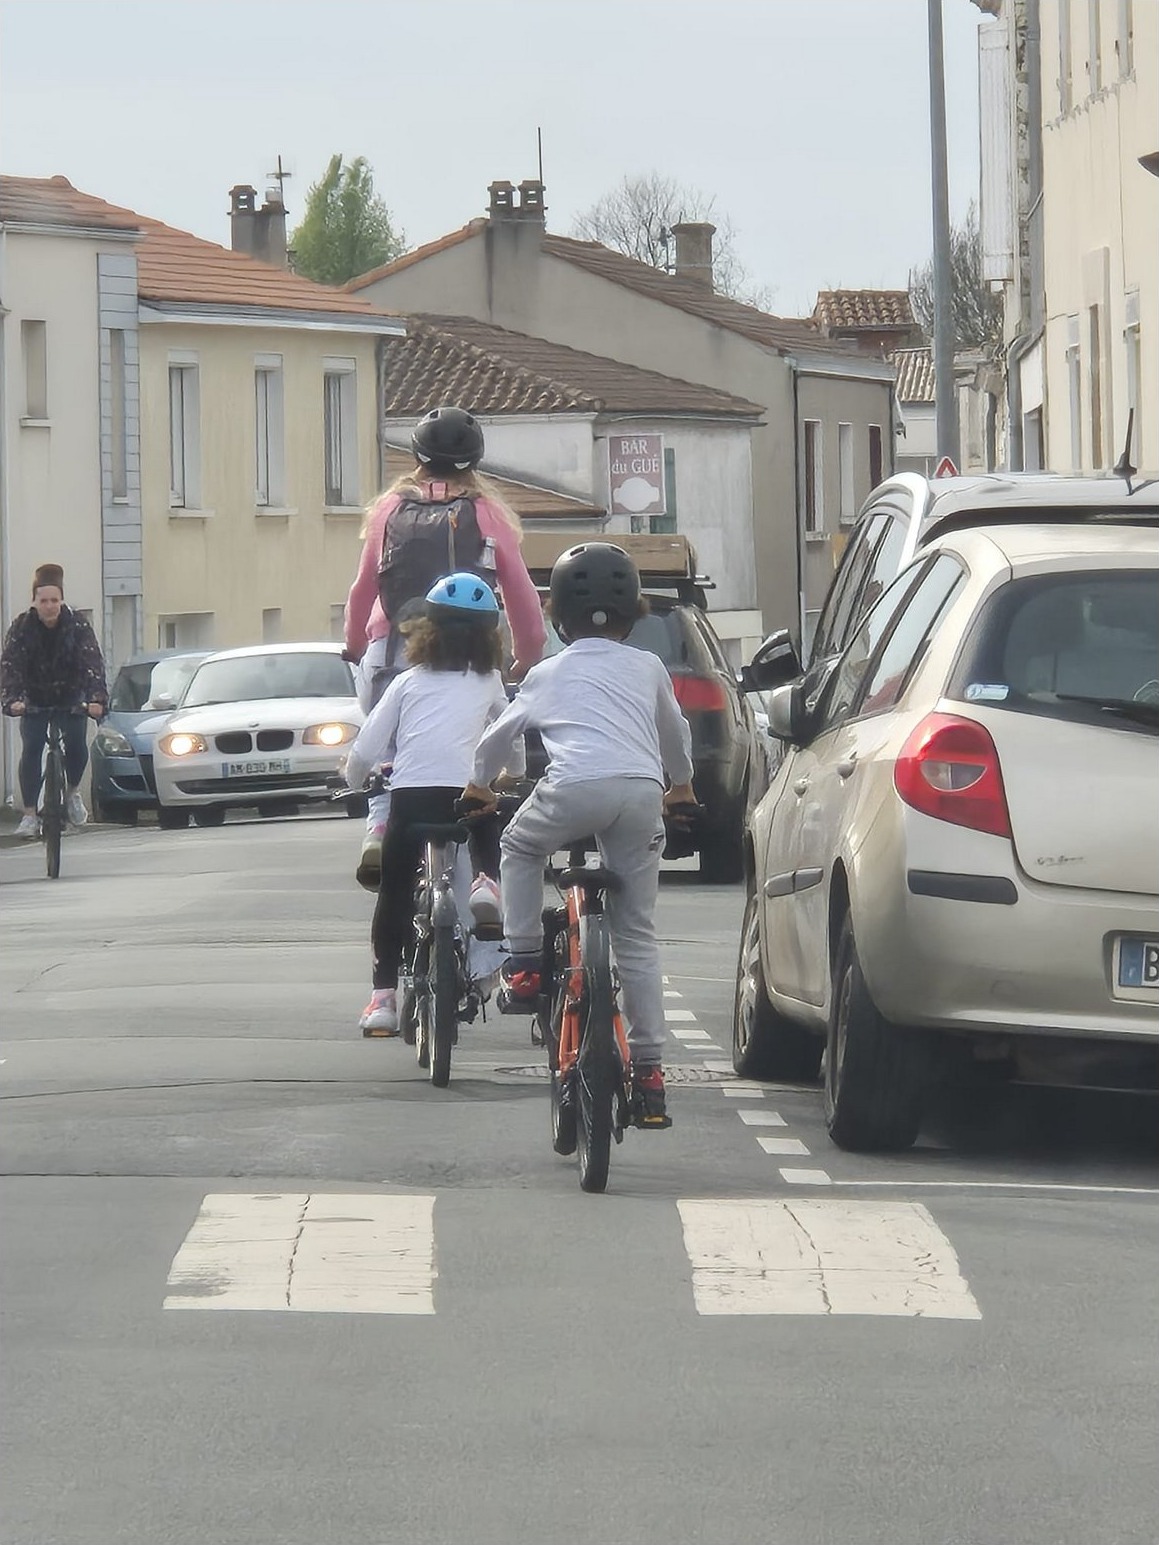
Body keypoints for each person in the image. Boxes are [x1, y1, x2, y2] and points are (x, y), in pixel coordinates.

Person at [462, 542, 696, 1128]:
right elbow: (676, 733)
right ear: (633, 611)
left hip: (571, 789)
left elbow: (498, 736)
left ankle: (522, 963)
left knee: (517, 846)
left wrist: (479, 784)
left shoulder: (547, 672)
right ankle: (648, 1071)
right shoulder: (647, 667)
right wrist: (683, 788)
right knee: (636, 935)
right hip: (642, 795)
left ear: (557, 612)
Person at [344, 405, 546, 888]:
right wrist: (527, 654)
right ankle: (476, 877)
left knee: (388, 745)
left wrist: (354, 644)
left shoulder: (390, 510)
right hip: (472, 658)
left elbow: (362, 589)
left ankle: (377, 826)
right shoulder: (487, 513)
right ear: (474, 461)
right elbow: (519, 592)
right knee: (468, 747)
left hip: (390, 650)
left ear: (417, 455)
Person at [344, 573, 522, 1037]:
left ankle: (383, 998)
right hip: (464, 795)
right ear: (490, 638)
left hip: (412, 798)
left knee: (395, 892)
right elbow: (508, 737)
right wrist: (512, 773)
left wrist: (352, 779)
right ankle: (485, 882)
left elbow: (366, 749)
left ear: (426, 631)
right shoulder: (488, 682)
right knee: (485, 813)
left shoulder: (407, 682)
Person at [1, 564, 107, 838]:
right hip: (35, 697)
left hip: (71, 695)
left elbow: (92, 662)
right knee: (33, 746)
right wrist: (12, 699)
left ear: (62, 600)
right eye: (43, 601)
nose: (49, 606)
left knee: (75, 742)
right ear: (34, 602)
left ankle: (72, 792)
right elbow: (10, 665)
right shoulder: (22, 627)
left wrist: (96, 699)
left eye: (54, 600)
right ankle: (29, 814)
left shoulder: (78, 625)